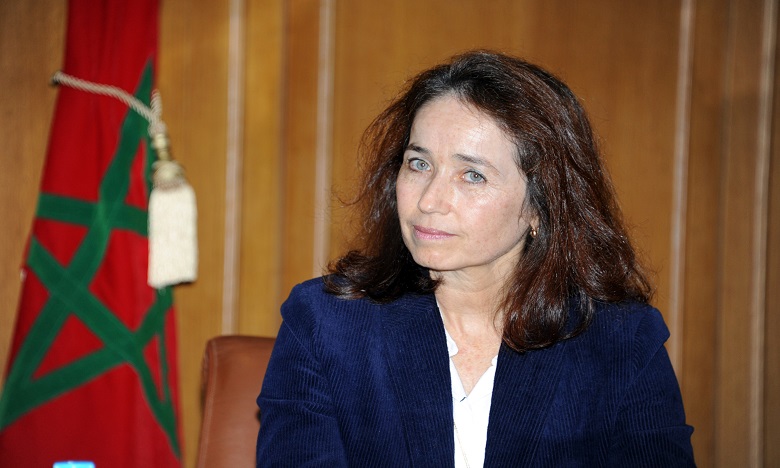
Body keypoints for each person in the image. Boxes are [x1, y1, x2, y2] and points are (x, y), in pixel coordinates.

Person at [256, 50, 695, 467]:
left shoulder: (622, 343)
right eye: (419, 164)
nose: (429, 201)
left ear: (540, 207)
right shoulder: (325, 324)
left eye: (472, 175)